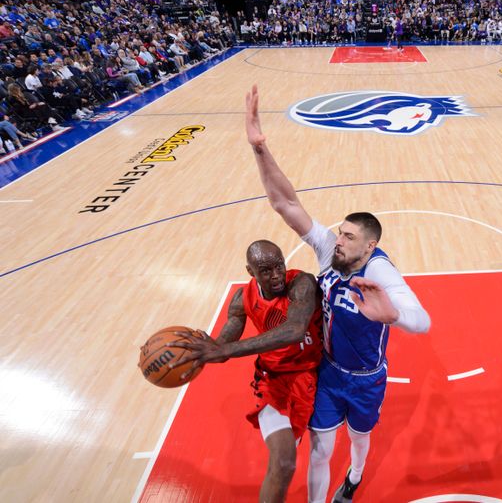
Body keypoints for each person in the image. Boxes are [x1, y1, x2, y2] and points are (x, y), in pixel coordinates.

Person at [244, 85, 431, 503]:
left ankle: (357, 475)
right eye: (340, 233)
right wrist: (259, 148)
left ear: (369, 246)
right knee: (320, 449)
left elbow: (422, 320)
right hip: (328, 372)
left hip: (367, 378)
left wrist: (392, 316)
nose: (337, 240)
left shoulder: (379, 271)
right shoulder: (332, 253)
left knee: (360, 439)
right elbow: (284, 203)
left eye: (348, 237)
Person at [167, 240, 323, 503]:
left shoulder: (301, 284)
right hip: (272, 381)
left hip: (313, 375)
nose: (276, 275)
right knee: (284, 463)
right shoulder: (242, 299)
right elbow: (223, 346)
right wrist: (198, 351)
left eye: (279, 265)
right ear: (250, 272)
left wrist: (225, 351)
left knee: (321, 453)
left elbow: (295, 329)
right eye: (265, 270)